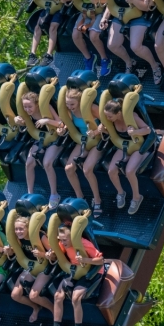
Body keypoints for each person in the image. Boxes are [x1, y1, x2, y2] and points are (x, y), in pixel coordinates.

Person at [58, 71, 110, 217]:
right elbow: (66, 124)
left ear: (80, 101)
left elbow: (107, 124)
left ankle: (98, 200)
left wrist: (96, 131)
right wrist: (61, 129)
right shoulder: (69, 112)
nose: (70, 107)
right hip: (82, 140)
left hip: (97, 141)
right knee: (69, 168)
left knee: (87, 169)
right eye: (67, 104)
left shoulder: (91, 108)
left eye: (72, 104)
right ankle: (80, 198)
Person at [100, 74, 153, 214]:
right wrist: (102, 129)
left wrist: (135, 132)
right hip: (124, 146)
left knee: (130, 171)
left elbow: (148, 130)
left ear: (118, 113)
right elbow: (109, 134)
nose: (107, 119)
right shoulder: (111, 121)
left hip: (139, 146)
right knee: (111, 170)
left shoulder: (132, 116)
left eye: (109, 116)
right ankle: (120, 192)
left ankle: (136, 197)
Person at [48, 223, 105, 326]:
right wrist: (50, 255)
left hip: (91, 271)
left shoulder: (83, 243)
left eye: (65, 240)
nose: (63, 242)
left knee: (75, 297)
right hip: (75, 270)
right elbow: (56, 255)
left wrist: (85, 260)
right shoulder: (63, 244)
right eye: (61, 240)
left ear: (72, 237)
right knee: (58, 296)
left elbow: (100, 260)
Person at [15, 71, 64, 206]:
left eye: (30, 106)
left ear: (37, 104)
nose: (27, 109)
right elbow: (19, 123)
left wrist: (46, 120)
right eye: (25, 107)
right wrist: (16, 119)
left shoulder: (45, 107)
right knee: (29, 163)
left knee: (48, 163)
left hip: (55, 138)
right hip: (41, 139)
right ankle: (30, 194)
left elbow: (61, 123)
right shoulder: (26, 113)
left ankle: (54, 194)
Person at [7, 199, 58, 323]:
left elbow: (55, 256)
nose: (18, 232)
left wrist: (42, 254)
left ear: (28, 228)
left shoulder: (40, 236)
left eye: (21, 229)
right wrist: (8, 251)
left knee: (33, 295)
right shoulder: (19, 239)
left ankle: (54, 311)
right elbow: (14, 252)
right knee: (15, 295)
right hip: (30, 267)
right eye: (16, 229)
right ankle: (36, 307)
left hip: (45, 267)